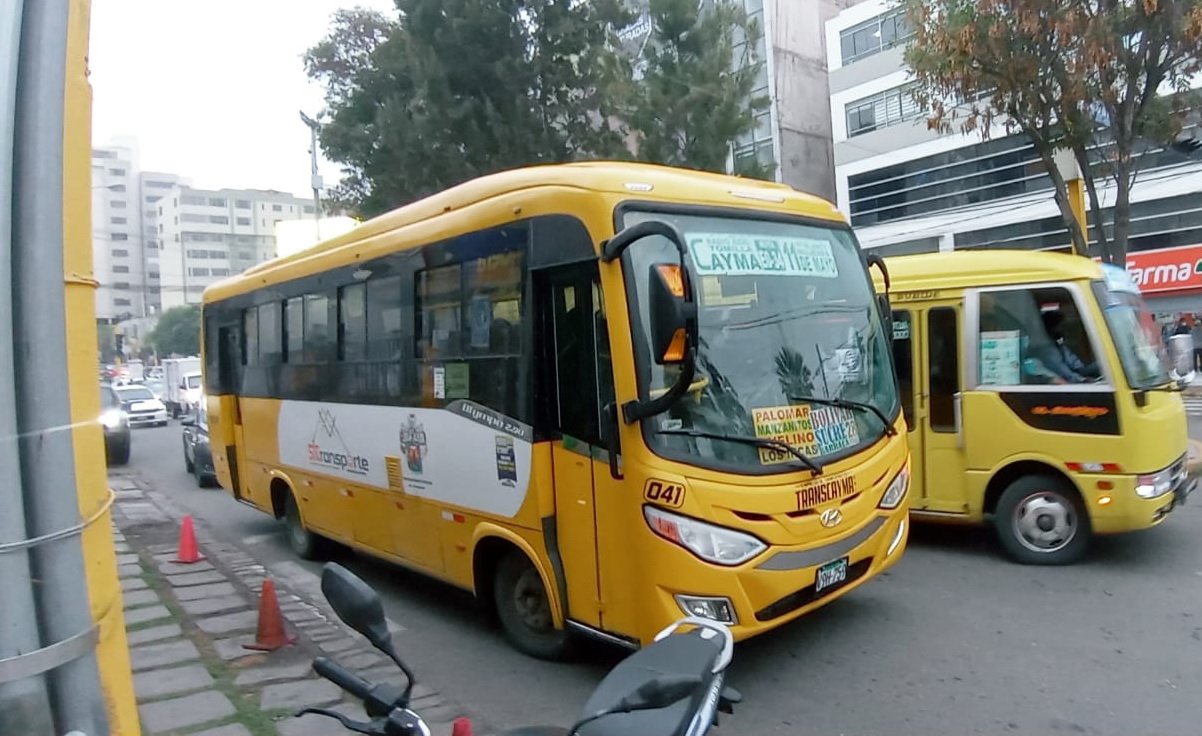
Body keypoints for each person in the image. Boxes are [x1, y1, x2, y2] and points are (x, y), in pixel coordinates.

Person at [1041, 310, 1100, 382]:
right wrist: (1083, 380)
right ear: (1051, 328)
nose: (1063, 330)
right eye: (1060, 326)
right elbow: (1064, 372)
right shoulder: (1047, 351)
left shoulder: (1060, 347)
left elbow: (1078, 367)